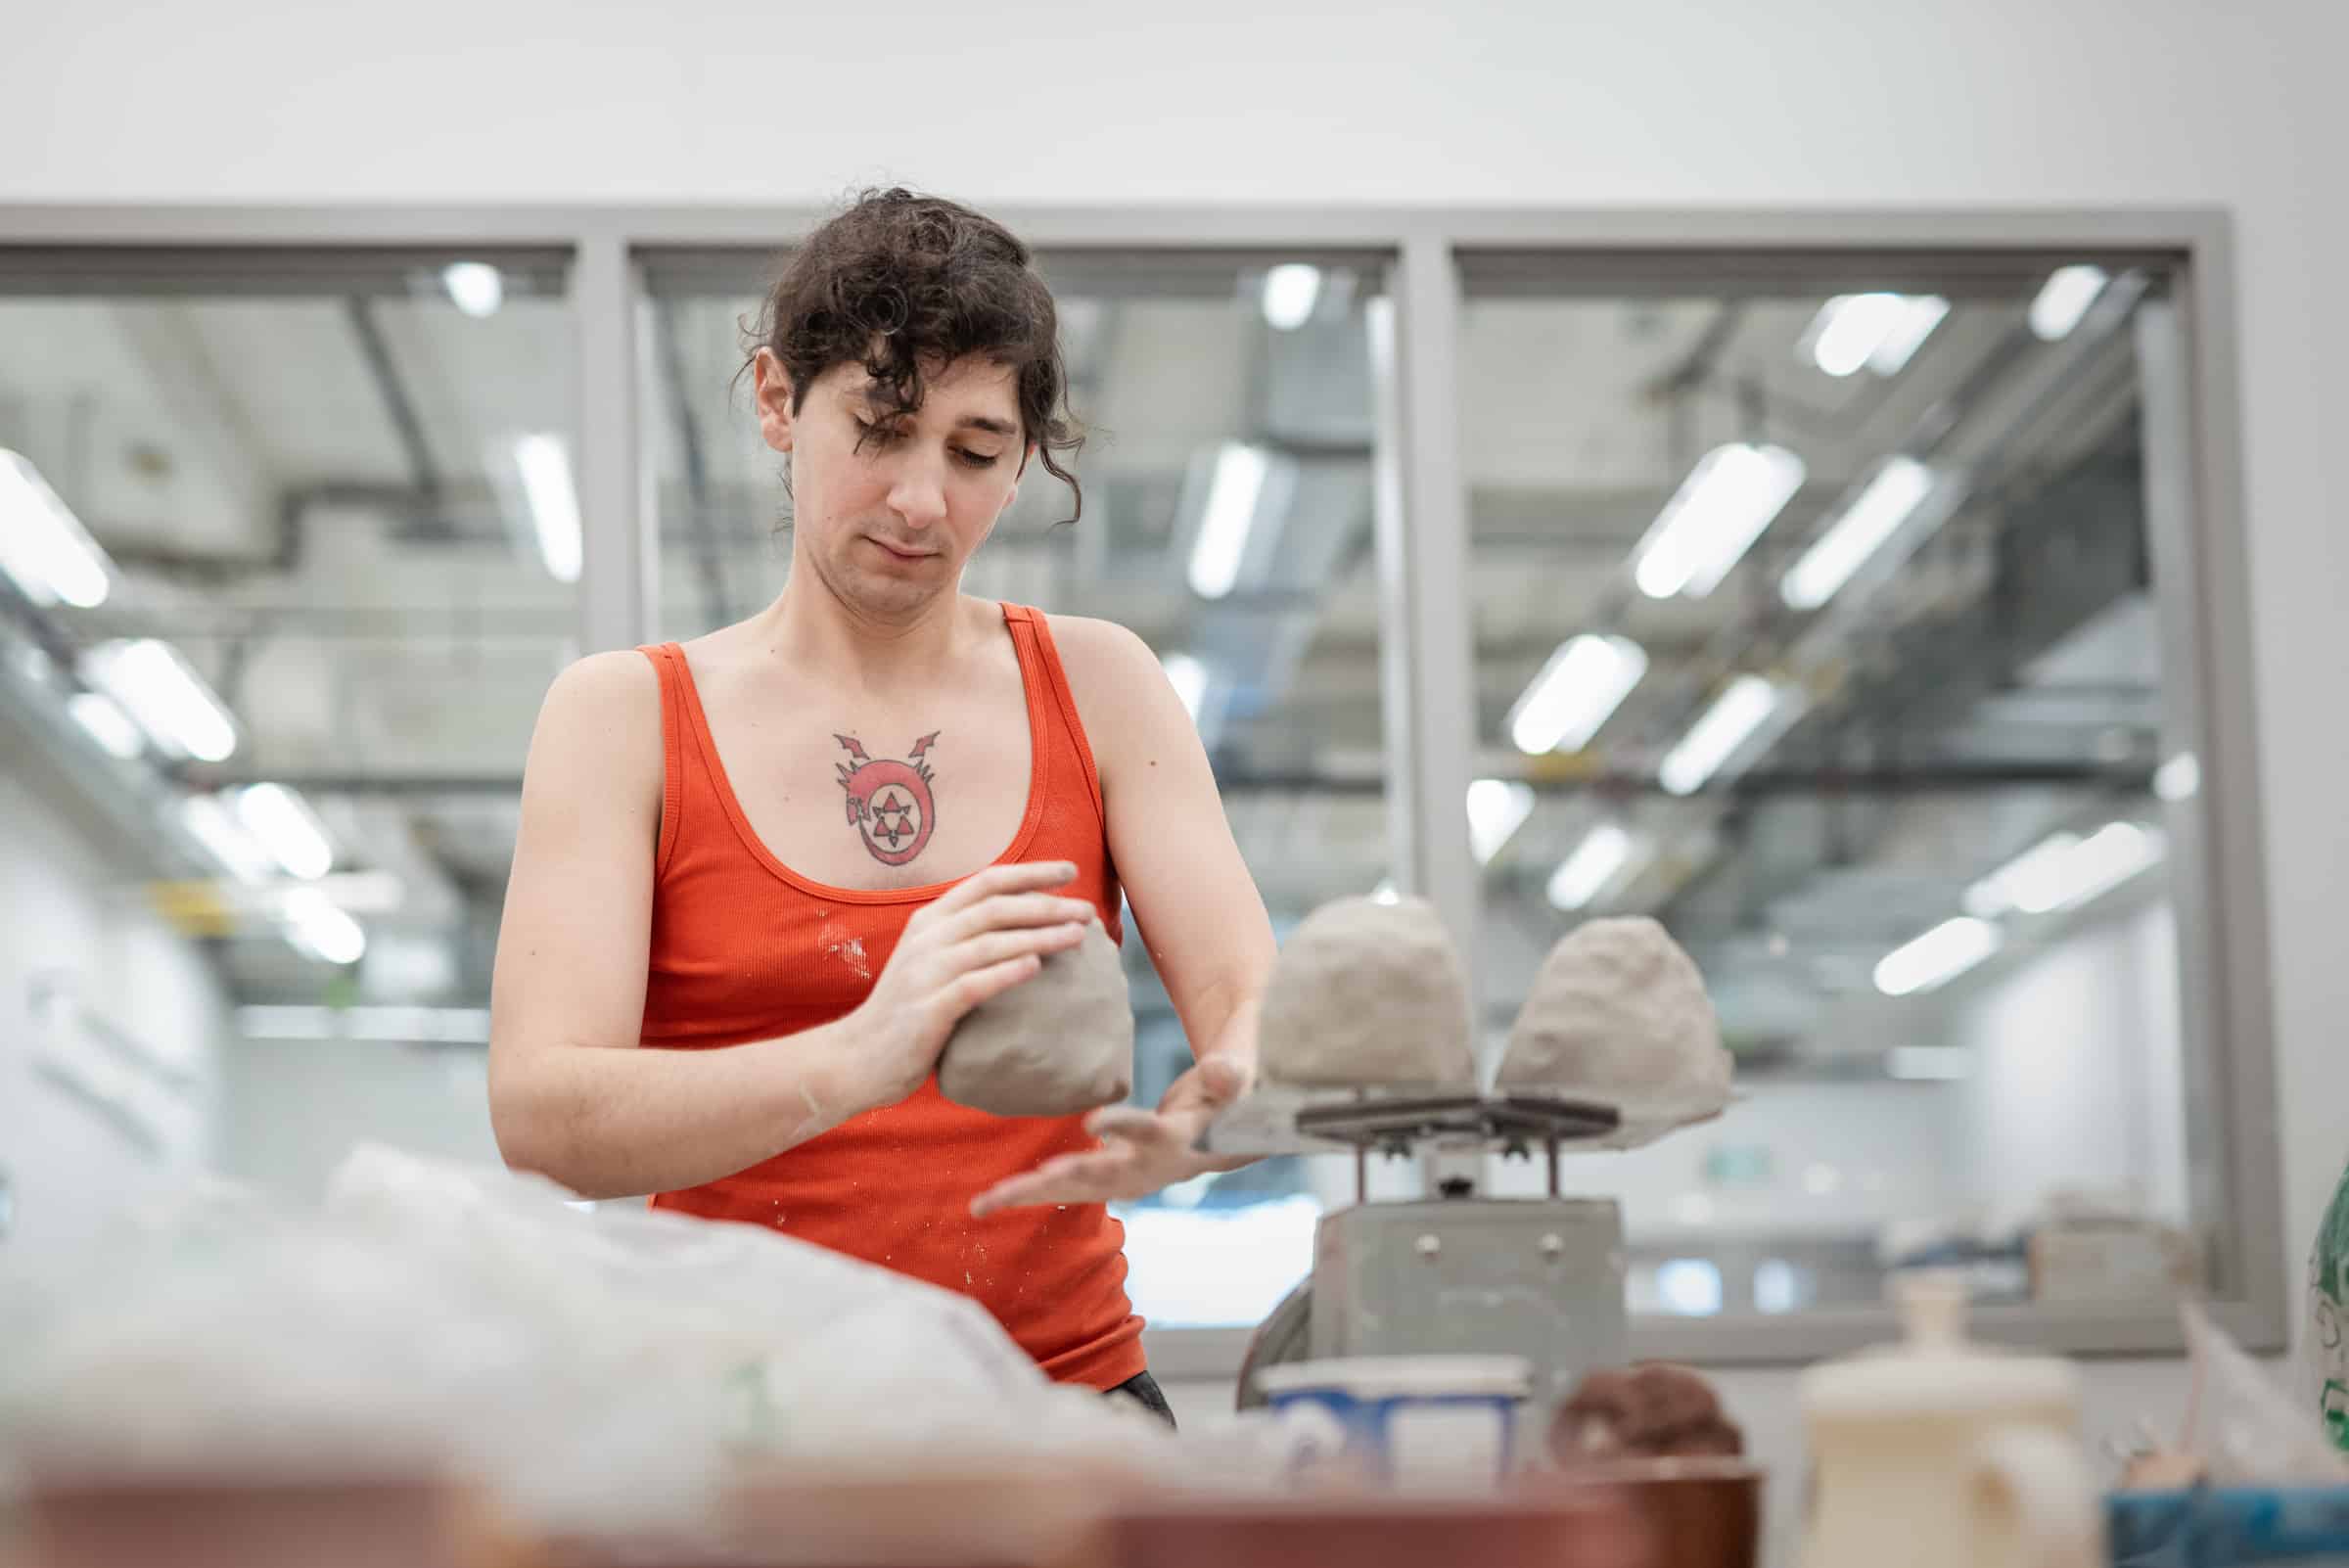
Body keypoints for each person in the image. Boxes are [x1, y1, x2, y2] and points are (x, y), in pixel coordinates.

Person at [486, 188, 1276, 1422]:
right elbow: (544, 1117)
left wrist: (1224, 1102)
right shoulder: (622, 718)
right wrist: (861, 1054)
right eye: (881, 428)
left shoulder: (1102, 687)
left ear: (1021, 463)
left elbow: (1251, 1007)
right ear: (776, 400)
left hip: (1061, 1407)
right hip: (744, 1429)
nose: (921, 500)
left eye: (974, 454)